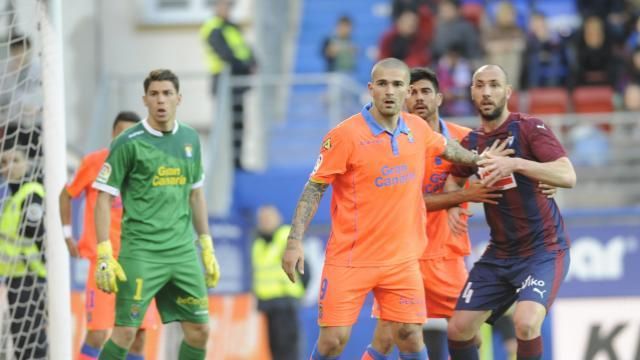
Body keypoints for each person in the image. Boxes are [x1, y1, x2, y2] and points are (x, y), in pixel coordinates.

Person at [281, 58, 511, 360]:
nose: (390, 91)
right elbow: (315, 187)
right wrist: (294, 241)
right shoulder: (344, 136)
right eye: (383, 84)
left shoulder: (416, 128)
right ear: (370, 89)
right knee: (333, 342)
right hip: (351, 258)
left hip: (401, 260)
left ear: (405, 91)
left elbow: (447, 148)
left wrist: (479, 159)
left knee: (409, 335)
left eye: (397, 84)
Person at [445, 64, 576, 360]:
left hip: (544, 250)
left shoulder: (529, 128)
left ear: (507, 92)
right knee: (458, 330)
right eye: (480, 85)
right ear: (472, 93)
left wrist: (515, 164)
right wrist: (456, 201)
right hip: (500, 254)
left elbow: (567, 175)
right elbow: (455, 175)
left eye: (494, 85)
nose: (487, 92)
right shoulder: (473, 144)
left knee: (526, 322)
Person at [92, 69, 221, 360]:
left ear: (179, 98)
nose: (161, 100)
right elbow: (103, 199)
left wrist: (206, 245)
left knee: (200, 331)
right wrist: (104, 253)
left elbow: (196, 194)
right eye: (154, 94)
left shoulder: (190, 139)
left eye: (167, 93)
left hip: (182, 253)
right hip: (141, 253)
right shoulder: (128, 142)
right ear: (145, 100)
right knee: (126, 333)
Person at [58, 111, 159, 360]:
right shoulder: (95, 162)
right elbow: (66, 194)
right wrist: (67, 234)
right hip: (104, 263)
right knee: (98, 334)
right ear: (113, 134)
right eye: (121, 132)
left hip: (139, 264)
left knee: (138, 337)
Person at [0, 146, 47, 359]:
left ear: (27, 163)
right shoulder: (11, 194)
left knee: (32, 341)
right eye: (4, 162)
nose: (8, 167)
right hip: (13, 276)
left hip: (31, 276)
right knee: (19, 340)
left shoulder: (32, 192)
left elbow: (33, 234)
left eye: (15, 160)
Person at [200, 0, 256, 169]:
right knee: (227, 125)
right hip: (223, 82)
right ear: (215, 6)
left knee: (238, 123)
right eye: (222, 4)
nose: (226, 8)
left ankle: (237, 163)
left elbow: (246, 50)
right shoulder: (213, 28)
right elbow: (226, 54)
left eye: (228, 5)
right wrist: (246, 66)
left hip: (236, 82)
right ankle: (228, 166)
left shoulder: (232, 27)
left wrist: (253, 62)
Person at [252, 205, 307, 360]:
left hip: (285, 303)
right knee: (275, 349)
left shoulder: (286, 237)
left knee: (288, 350)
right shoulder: (259, 243)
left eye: (268, 219)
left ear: (278, 219)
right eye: (262, 219)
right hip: (268, 305)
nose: (265, 223)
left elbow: (305, 269)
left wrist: (296, 293)